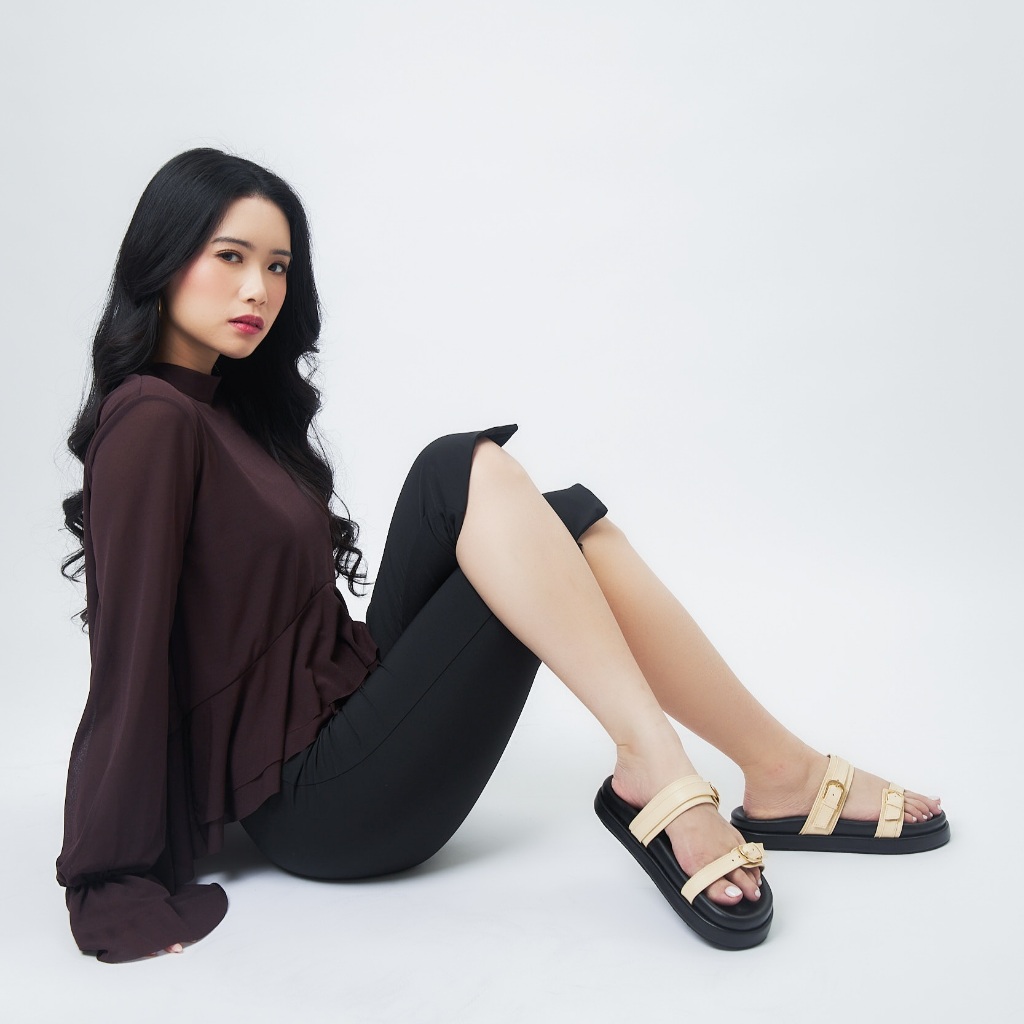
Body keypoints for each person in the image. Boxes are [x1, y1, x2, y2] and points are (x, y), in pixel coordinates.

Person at [56, 148, 948, 964]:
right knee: (535, 543)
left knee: (472, 476)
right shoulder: (151, 421)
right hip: (321, 807)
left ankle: (776, 771)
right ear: (164, 258)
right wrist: (111, 876)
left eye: (279, 266)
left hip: (342, 716)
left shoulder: (226, 409)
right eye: (231, 256)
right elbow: (127, 658)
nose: (259, 288)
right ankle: (668, 767)